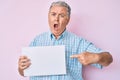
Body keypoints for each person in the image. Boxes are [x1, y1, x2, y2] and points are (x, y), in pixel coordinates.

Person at [18, 1, 113, 80]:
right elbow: (23, 72)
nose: (56, 18)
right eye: (53, 14)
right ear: (48, 16)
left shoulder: (79, 42)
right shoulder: (37, 40)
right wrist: (21, 68)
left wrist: (95, 57)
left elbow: (109, 59)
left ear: (68, 20)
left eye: (61, 15)